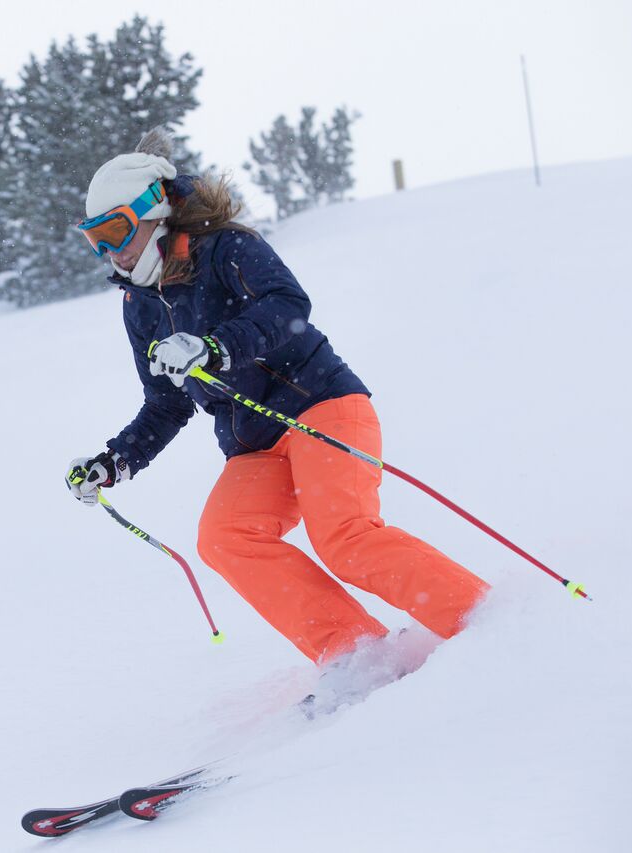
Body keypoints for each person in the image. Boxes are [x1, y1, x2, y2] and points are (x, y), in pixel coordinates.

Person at [66, 128, 488, 665]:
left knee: (344, 538)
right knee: (225, 537)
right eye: (92, 239)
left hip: (320, 405)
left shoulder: (225, 247)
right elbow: (166, 402)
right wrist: (115, 461)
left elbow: (288, 304)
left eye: (114, 230)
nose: (108, 251)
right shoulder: (140, 307)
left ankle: (480, 617)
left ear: (156, 212)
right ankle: (356, 653)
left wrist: (215, 348)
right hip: (255, 445)